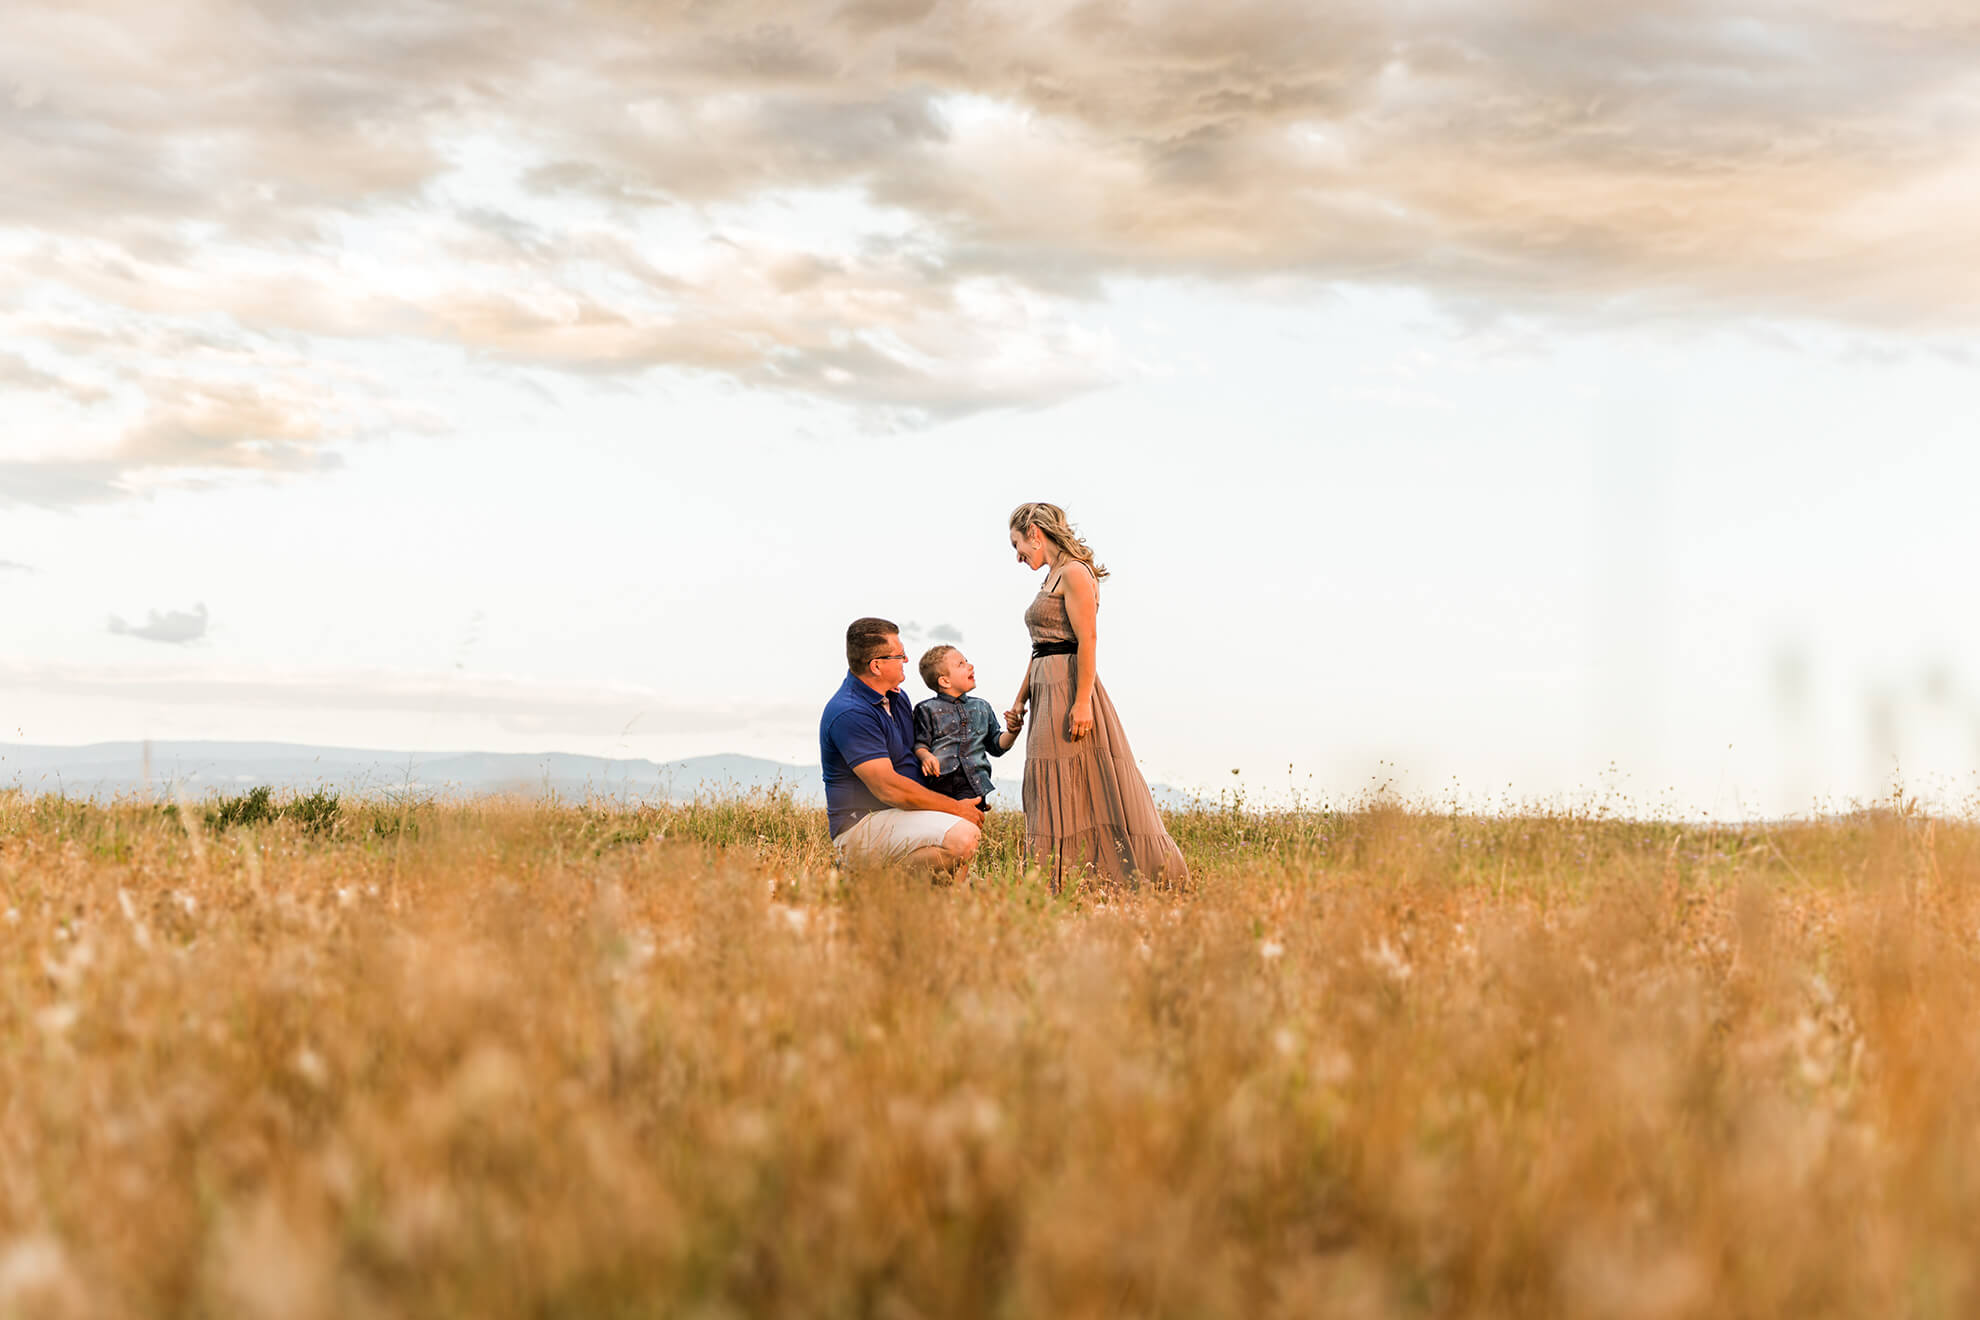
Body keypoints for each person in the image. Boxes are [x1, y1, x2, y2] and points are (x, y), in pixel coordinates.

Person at [1005, 503, 1187, 888]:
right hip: (1044, 688)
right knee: (1048, 782)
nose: (1018, 556)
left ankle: (1125, 875)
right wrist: (1021, 697)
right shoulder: (1051, 576)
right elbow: (1041, 647)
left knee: (1081, 779)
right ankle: (1055, 878)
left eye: (1018, 544)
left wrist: (1082, 700)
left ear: (1035, 532)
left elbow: (1086, 640)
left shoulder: (1074, 573)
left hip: (1069, 689)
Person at [820, 616, 984, 875]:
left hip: (899, 814)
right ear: (876, 666)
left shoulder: (896, 697)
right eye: (900, 656)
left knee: (962, 826)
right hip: (862, 824)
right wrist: (956, 809)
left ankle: (944, 901)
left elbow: (914, 756)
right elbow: (888, 788)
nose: (906, 661)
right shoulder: (850, 712)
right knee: (962, 836)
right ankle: (864, 876)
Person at [912, 645, 1019, 807]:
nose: (970, 666)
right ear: (944, 681)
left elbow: (996, 746)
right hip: (939, 783)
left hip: (973, 783)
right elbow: (920, 743)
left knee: (969, 825)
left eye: (966, 661)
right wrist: (925, 756)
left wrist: (1012, 732)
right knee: (942, 827)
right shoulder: (926, 709)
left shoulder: (982, 707)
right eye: (961, 664)